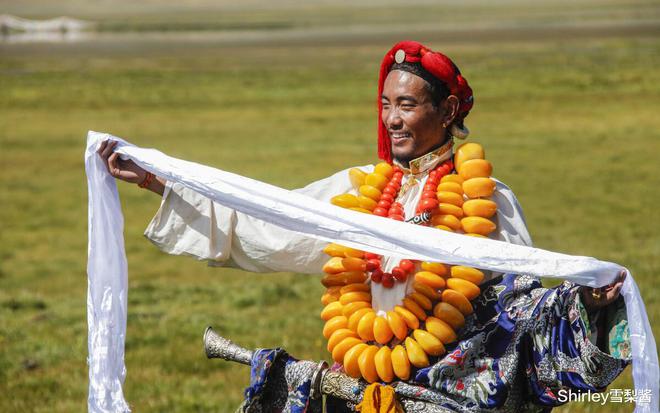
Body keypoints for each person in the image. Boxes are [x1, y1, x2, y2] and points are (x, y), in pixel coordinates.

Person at [97, 41, 630, 412]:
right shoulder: (356, 190)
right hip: (360, 384)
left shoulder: (485, 197)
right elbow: (270, 222)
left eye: (407, 104)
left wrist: (586, 302)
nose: (392, 119)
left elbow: (522, 301)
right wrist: (159, 182)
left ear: (447, 111)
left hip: (452, 391)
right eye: (385, 105)